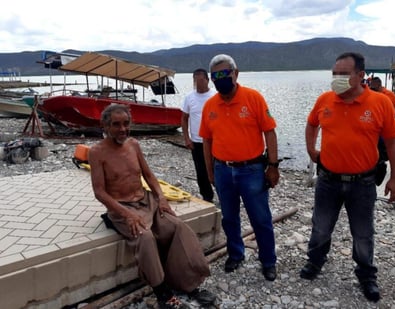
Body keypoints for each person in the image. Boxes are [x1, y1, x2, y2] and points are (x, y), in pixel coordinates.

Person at [89, 104, 215, 309]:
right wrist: (126, 214)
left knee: (178, 227)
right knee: (146, 237)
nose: (122, 129)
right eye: (116, 125)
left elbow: (148, 175)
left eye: (126, 124)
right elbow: (99, 192)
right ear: (105, 125)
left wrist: (162, 198)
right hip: (122, 208)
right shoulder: (97, 152)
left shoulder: (134, 145)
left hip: (147, 201)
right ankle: (162, 292)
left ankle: (188, 283)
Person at [300, 52, 395, 302]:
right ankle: (315, 261)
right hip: (327, 180)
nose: (337, 78)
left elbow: (394, 142)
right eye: (334, 74)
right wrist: (311, 149)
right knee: (321, 226)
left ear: (360, 75)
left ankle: (366, 274)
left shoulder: (379, 103)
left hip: (363, 183)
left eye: (343, 74)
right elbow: (312, 123)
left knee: (363, 233)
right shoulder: (325, 100)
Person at [199, 54, 280, 281]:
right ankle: (236, 253)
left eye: (225, 73)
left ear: (236, 73)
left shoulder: (253, 98)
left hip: (252, 170)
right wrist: (210, 171)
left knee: (261, 218)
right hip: (223, 170)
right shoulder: (210, 106)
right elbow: (207, 141)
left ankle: (268, 260)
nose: (221, 79)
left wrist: (273, 166)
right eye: (216, 76)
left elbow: (270, 132)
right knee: (229, 218)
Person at [181, 68, 216, 203]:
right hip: (197, 141)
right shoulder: (189, 97)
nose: (198, 83)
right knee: (201, 171)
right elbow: (184, 118)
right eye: (195, 80)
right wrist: (186, 138)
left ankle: (223, 194)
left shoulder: (214, 96)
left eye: (201, 80)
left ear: (207, 80)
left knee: (217, 169)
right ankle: (207, 197)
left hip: (214, 140)